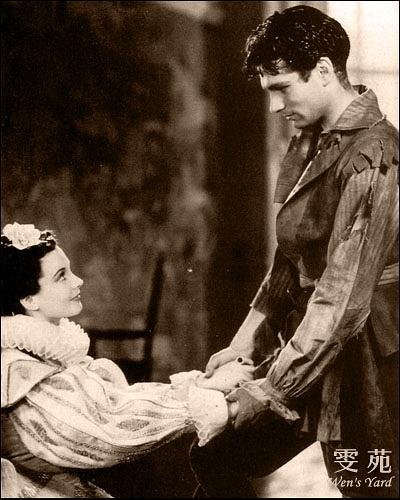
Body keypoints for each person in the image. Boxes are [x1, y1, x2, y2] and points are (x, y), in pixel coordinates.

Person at [190, 5, 398, 498]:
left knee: (369, 486)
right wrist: (244, 342)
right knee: (216, 452)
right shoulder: (310, 141)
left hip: (372, 352)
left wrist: (268, 391)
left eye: (282, 88)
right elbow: (290, 256)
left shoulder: (376, 156)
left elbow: (343, 300)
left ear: (323, 70)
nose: (274, 105)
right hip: (313, 341)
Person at [0, 222, 254, 498]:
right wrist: (207, 399)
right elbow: (109, 428)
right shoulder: (19, 369)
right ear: (29, 300)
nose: (78, 281)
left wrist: (202, 384)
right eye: (62, 276)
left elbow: (119, 400)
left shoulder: (50, 353)